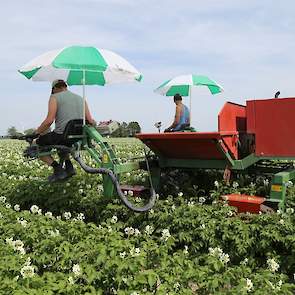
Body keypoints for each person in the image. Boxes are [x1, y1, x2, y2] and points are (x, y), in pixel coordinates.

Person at [34, 79, 95, 182]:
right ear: (65, 86)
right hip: (78, 136)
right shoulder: (81, 98)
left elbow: (49, 121)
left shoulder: (54, 97)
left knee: (36, 145)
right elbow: (90, 120)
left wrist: (36, 133)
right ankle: (69, 167)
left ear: (55, 88)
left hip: (62, 135)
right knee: (62, 145)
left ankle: (58, 169)